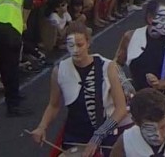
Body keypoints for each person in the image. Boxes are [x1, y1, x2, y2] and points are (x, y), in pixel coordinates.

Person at [30, 22, 130, 156]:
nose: (75, 50)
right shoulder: (59, 71)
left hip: (106, 136)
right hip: (75, 135)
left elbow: (121, 108)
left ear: (88, 43)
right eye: (71, 45)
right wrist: (42, 127)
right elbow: (54, 105)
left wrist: (98, 136)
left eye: (80, 45)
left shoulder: (108, 67)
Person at [114, 1, 165, 109]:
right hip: (138, 100)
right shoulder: (130, 37)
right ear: (150, 18)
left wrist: (159, 84)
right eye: (164, 18)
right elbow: (116, 64)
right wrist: (125, 84)